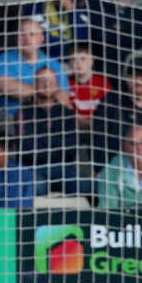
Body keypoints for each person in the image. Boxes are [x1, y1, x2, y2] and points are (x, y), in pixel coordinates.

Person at [17, 67, 92, 197]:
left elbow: (72, 147)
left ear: (57, 85)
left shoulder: (67, 114)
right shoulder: (23, 114)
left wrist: (43, 141)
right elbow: (27, 148)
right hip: (34, 168)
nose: (47, 84)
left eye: (51, 80)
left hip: (64, 167)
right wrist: (57, 141)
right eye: (42, 80)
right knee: (37, 186)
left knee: (82, 185)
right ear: (34, 85)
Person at [0, 17, 72, 118]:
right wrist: (45, 91)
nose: (27, 39)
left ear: (41, 39)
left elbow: (63, 97)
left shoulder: (54, 65)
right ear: (16, 38)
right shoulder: (3, 59)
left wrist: (24, 91)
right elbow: (4, 86)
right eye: (22, 34)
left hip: (44, 120)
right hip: (8, 120)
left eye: (32, 34)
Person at [98, 125, 142, 209]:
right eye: (132, 143)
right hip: (121, 220)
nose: (138, 147)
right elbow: (108, 209)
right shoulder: (111, 171)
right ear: (125, 146)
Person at [67, 43, 111, 128]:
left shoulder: (103, 82)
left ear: (92, 60)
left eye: (83, 59)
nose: (78, 63)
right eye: (73, 60)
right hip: (75, 129)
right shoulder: (67, 83)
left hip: (101, 128)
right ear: (69, 63)